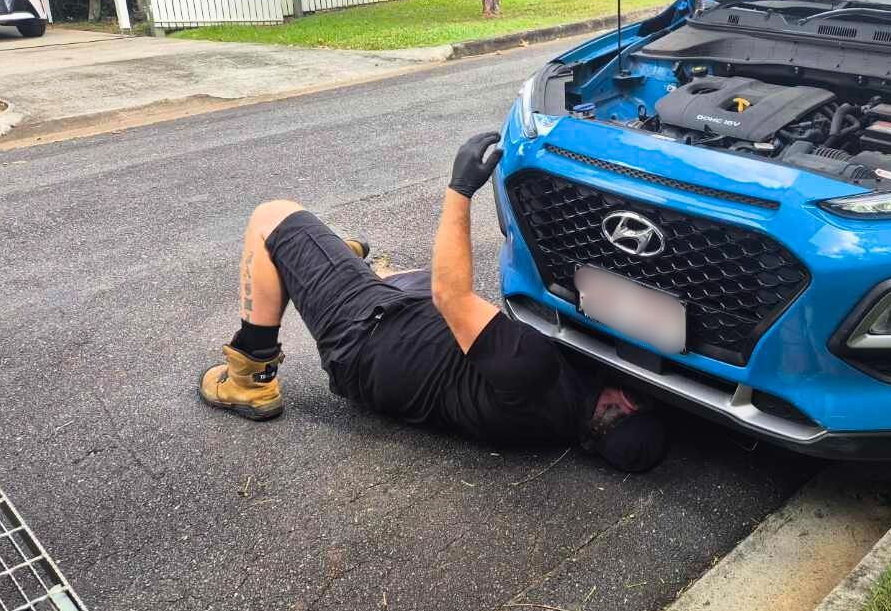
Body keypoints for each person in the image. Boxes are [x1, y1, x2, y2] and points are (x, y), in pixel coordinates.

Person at [197, 132, 669, 473]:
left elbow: (451, 295)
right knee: (391, 269)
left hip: (368, 334)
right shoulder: (554, 424)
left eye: (639, 395)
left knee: (274, 217)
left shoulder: (535, 371)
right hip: (401, 352)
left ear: (625, 402)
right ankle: (354, 266)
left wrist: (460, 189)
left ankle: (251, 376)